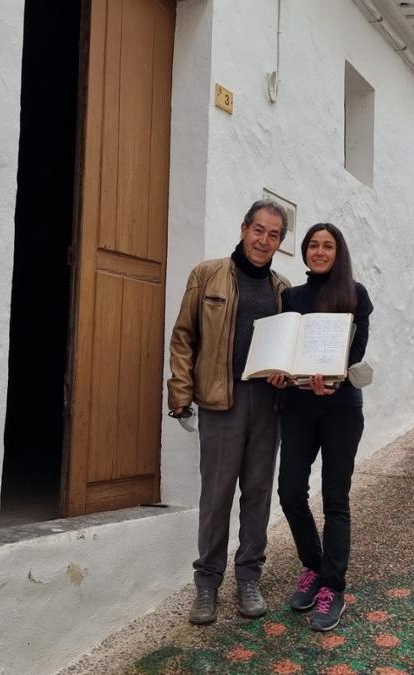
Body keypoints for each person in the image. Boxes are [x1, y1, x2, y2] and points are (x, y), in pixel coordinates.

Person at [167, 200, 292, 625]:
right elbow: (184, 336)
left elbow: (287, 350)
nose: (264, 240)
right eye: (258, 230)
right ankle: (206, 585)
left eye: (274, 234)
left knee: (257, 496)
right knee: (216, 496)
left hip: (267, 405)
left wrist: (285, 375)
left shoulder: (282, 289)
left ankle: (249, 577)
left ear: (280, 242)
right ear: (243, 229)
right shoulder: (208, 274)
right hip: (222, 401)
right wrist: (180, 393)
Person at [270, 222, 373, 632]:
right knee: (290, 490)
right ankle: (313, 566)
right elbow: (285, 348)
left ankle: (333, 586)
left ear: (338, 252)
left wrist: (334, 375)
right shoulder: (291, 297)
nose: (319, 251)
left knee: (335, 497)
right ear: (306, 251)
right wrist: (278, 372)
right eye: (312, 245)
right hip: (297, 406)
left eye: (327, 246)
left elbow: (356, 350)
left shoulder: (355, 294)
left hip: (340, 407)